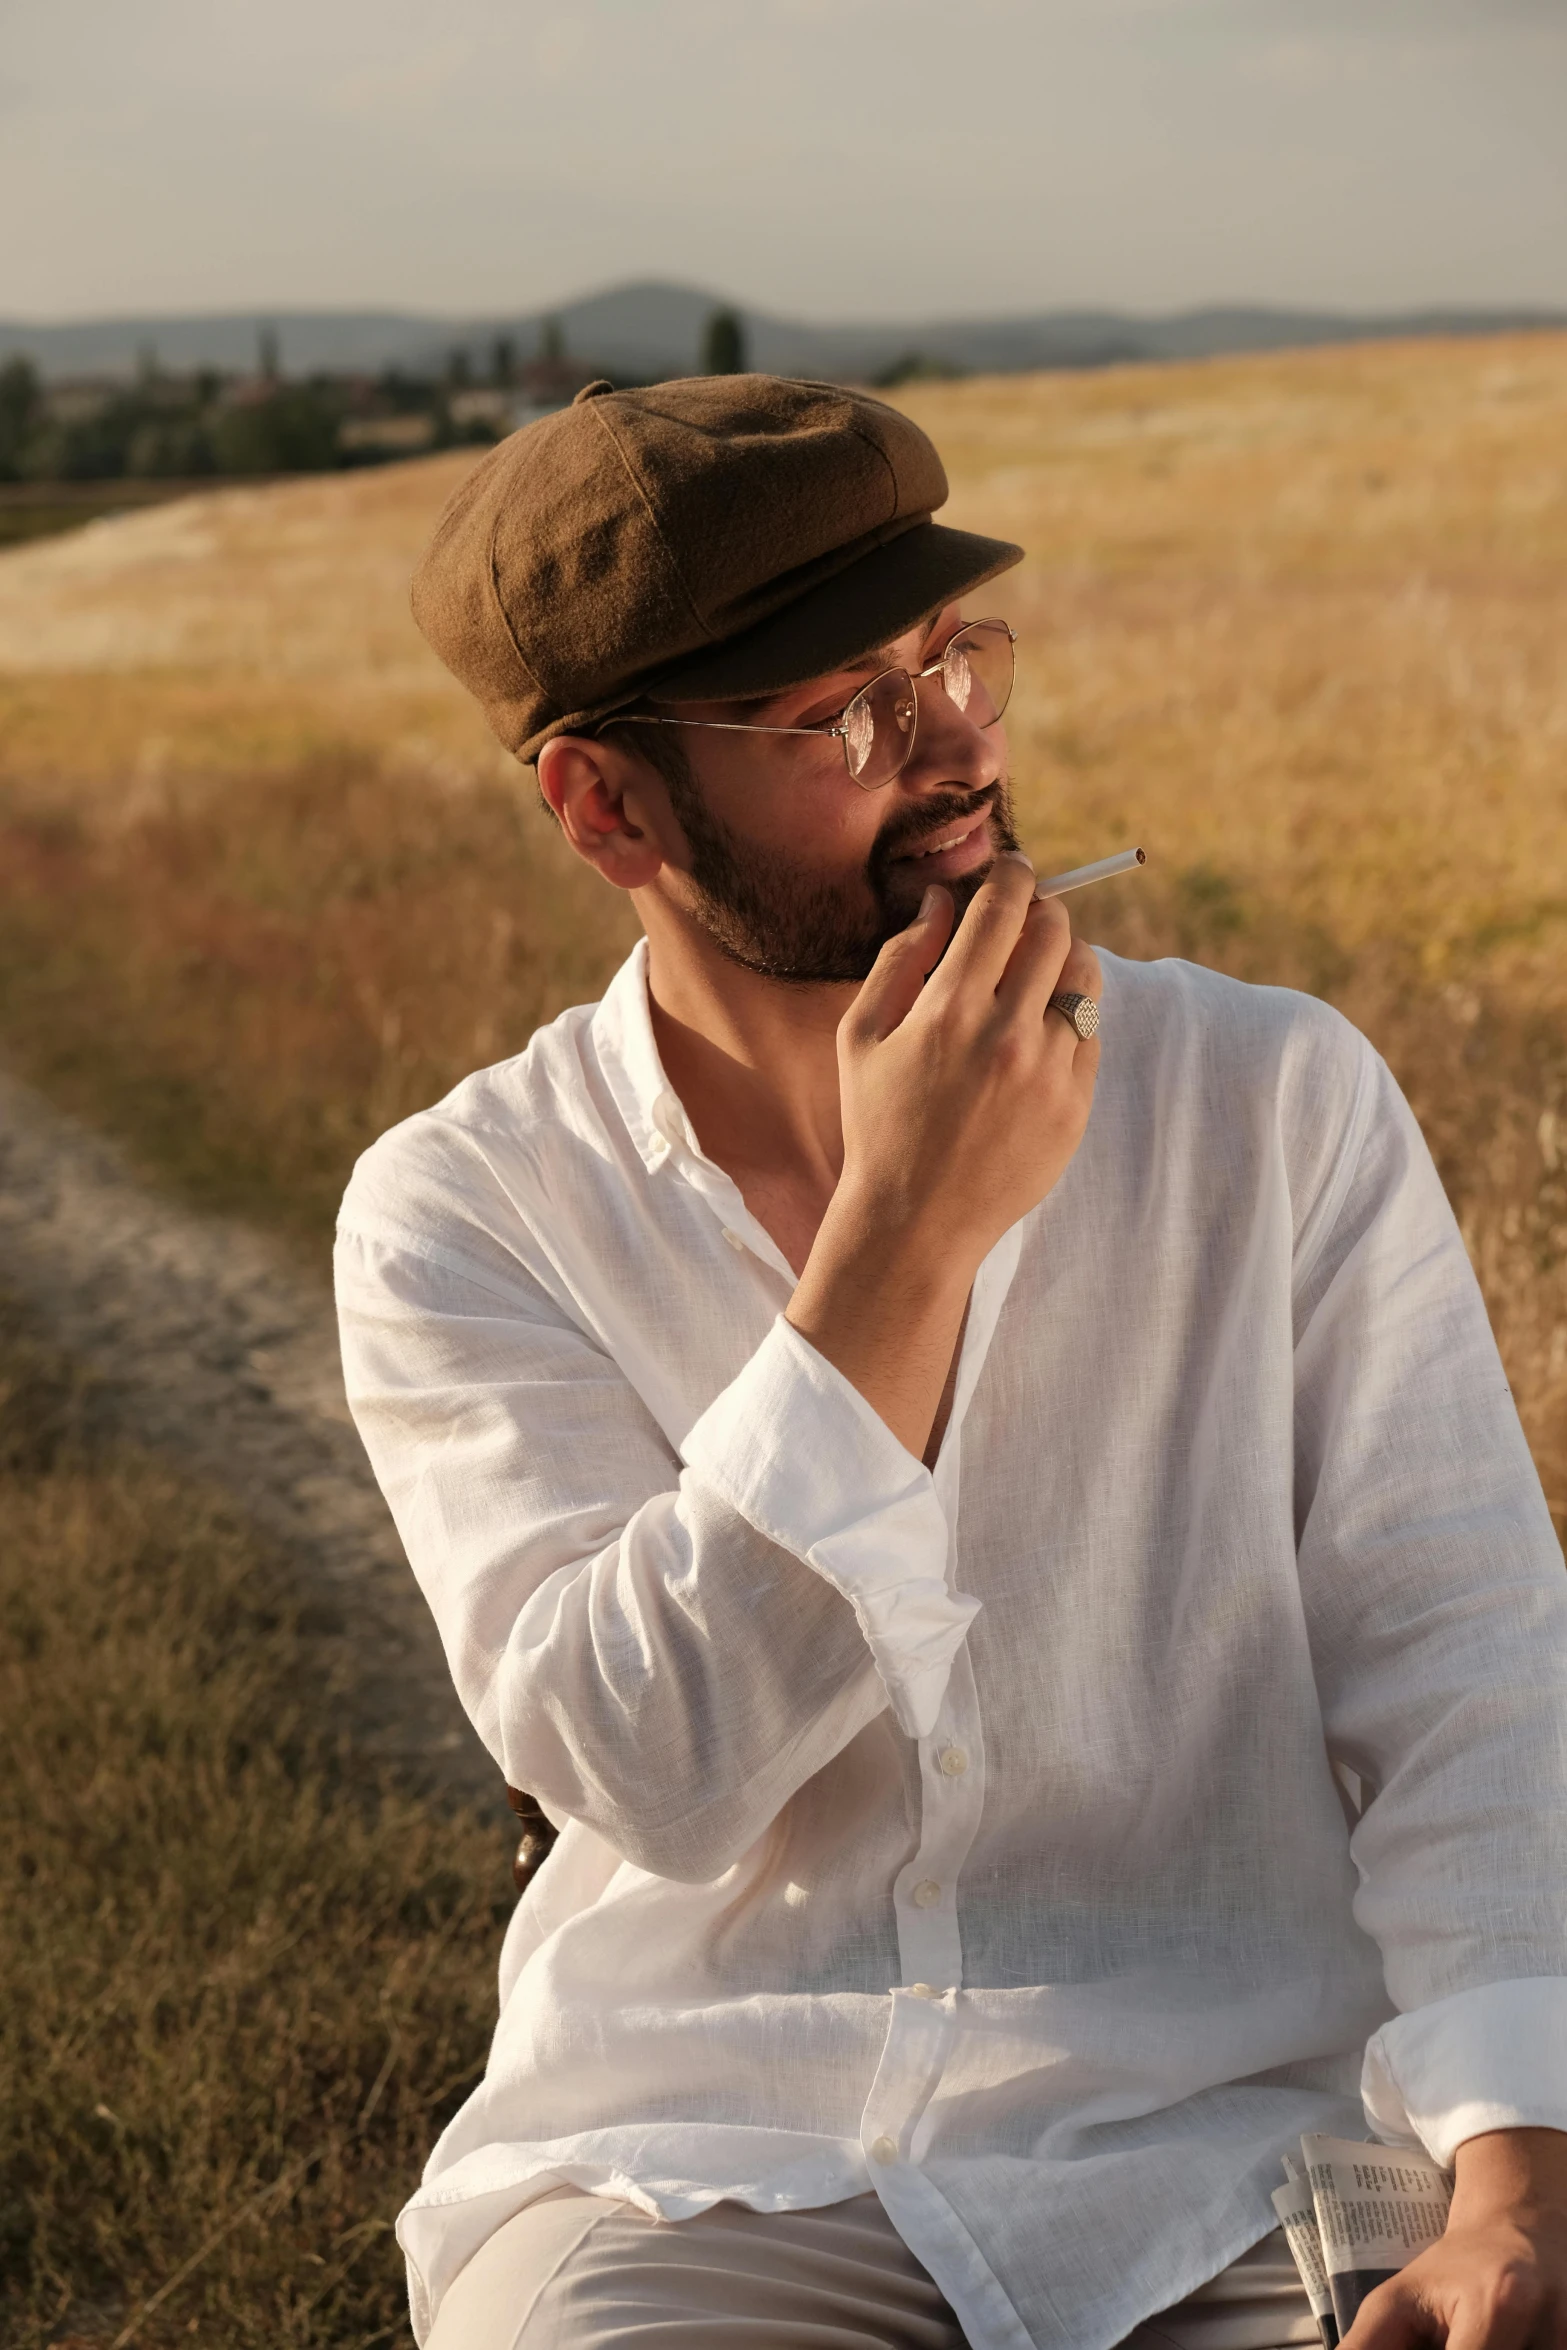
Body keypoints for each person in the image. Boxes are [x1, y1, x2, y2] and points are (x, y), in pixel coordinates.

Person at [334, 376, 1567, 2350]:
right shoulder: (469, 1209)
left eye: (952, 656)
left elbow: (1468, 1658)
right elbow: (652, 1769)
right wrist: (900, 1241)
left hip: (1239, 2149)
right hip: (701, 2163)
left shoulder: (1272, 1097)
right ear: (605, 804)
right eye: (846, 707)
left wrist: (1518, 2180)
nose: (957, 737)